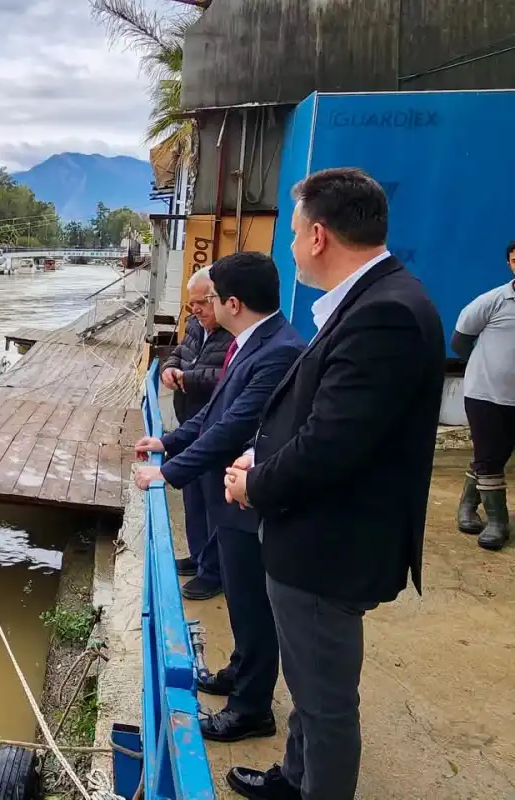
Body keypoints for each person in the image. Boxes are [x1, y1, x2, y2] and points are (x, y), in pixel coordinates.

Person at [223, 167, 444, 800]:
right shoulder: (371, 300)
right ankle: (293, 779)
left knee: (325, 706)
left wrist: (253, 484)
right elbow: (323, 418)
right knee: (309, 679)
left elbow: (331, 447)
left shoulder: (386, 315)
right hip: (317, 535)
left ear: (318, 235)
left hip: (330, 546)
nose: (289, 247)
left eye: (293, 233)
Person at [134, 251, 304, 741]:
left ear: (232, 302)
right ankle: (240, 672)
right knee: (243, 602)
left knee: (253, 604)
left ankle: (251, 708)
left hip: (251, 497)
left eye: (209, 299)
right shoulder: (252, 342)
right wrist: (168, 442)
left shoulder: (277, 351)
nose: (202, 308)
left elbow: (233, 427)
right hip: (235, 498)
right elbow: (215, 416)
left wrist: (169, 475)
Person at [159, 267, 234, 597]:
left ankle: (214, 572)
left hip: (216, 427)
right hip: (190, 423)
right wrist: (169, 369)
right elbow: (178, 354)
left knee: (214, 500)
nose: (195, 311)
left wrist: (189, 378)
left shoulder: (233, 335)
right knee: (193, 500)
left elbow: (228, 377)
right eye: (191, 305)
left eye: (201, 303)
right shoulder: (193, 325)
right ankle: (199, 555)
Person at [449, 240, 515, 552]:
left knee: (495, 455)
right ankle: (497, 521)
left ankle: (466, 506)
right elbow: (460, 341)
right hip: (485, 394)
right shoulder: (494, 301)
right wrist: (483, 366)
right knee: (490, 456)